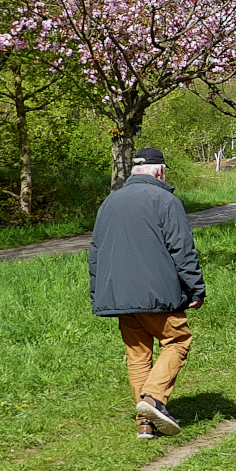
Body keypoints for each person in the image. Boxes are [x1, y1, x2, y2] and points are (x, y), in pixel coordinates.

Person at [90, 147, 204, 439]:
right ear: (159, 171)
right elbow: (182, 248)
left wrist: (97, 293)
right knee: (178, 341)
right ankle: (153, 399)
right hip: (159, 294)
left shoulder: (109, 202)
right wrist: (196, 288)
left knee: (138, 355)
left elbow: (95, 253)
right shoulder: (165, 199)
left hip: (119, 295)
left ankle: (145, 424)